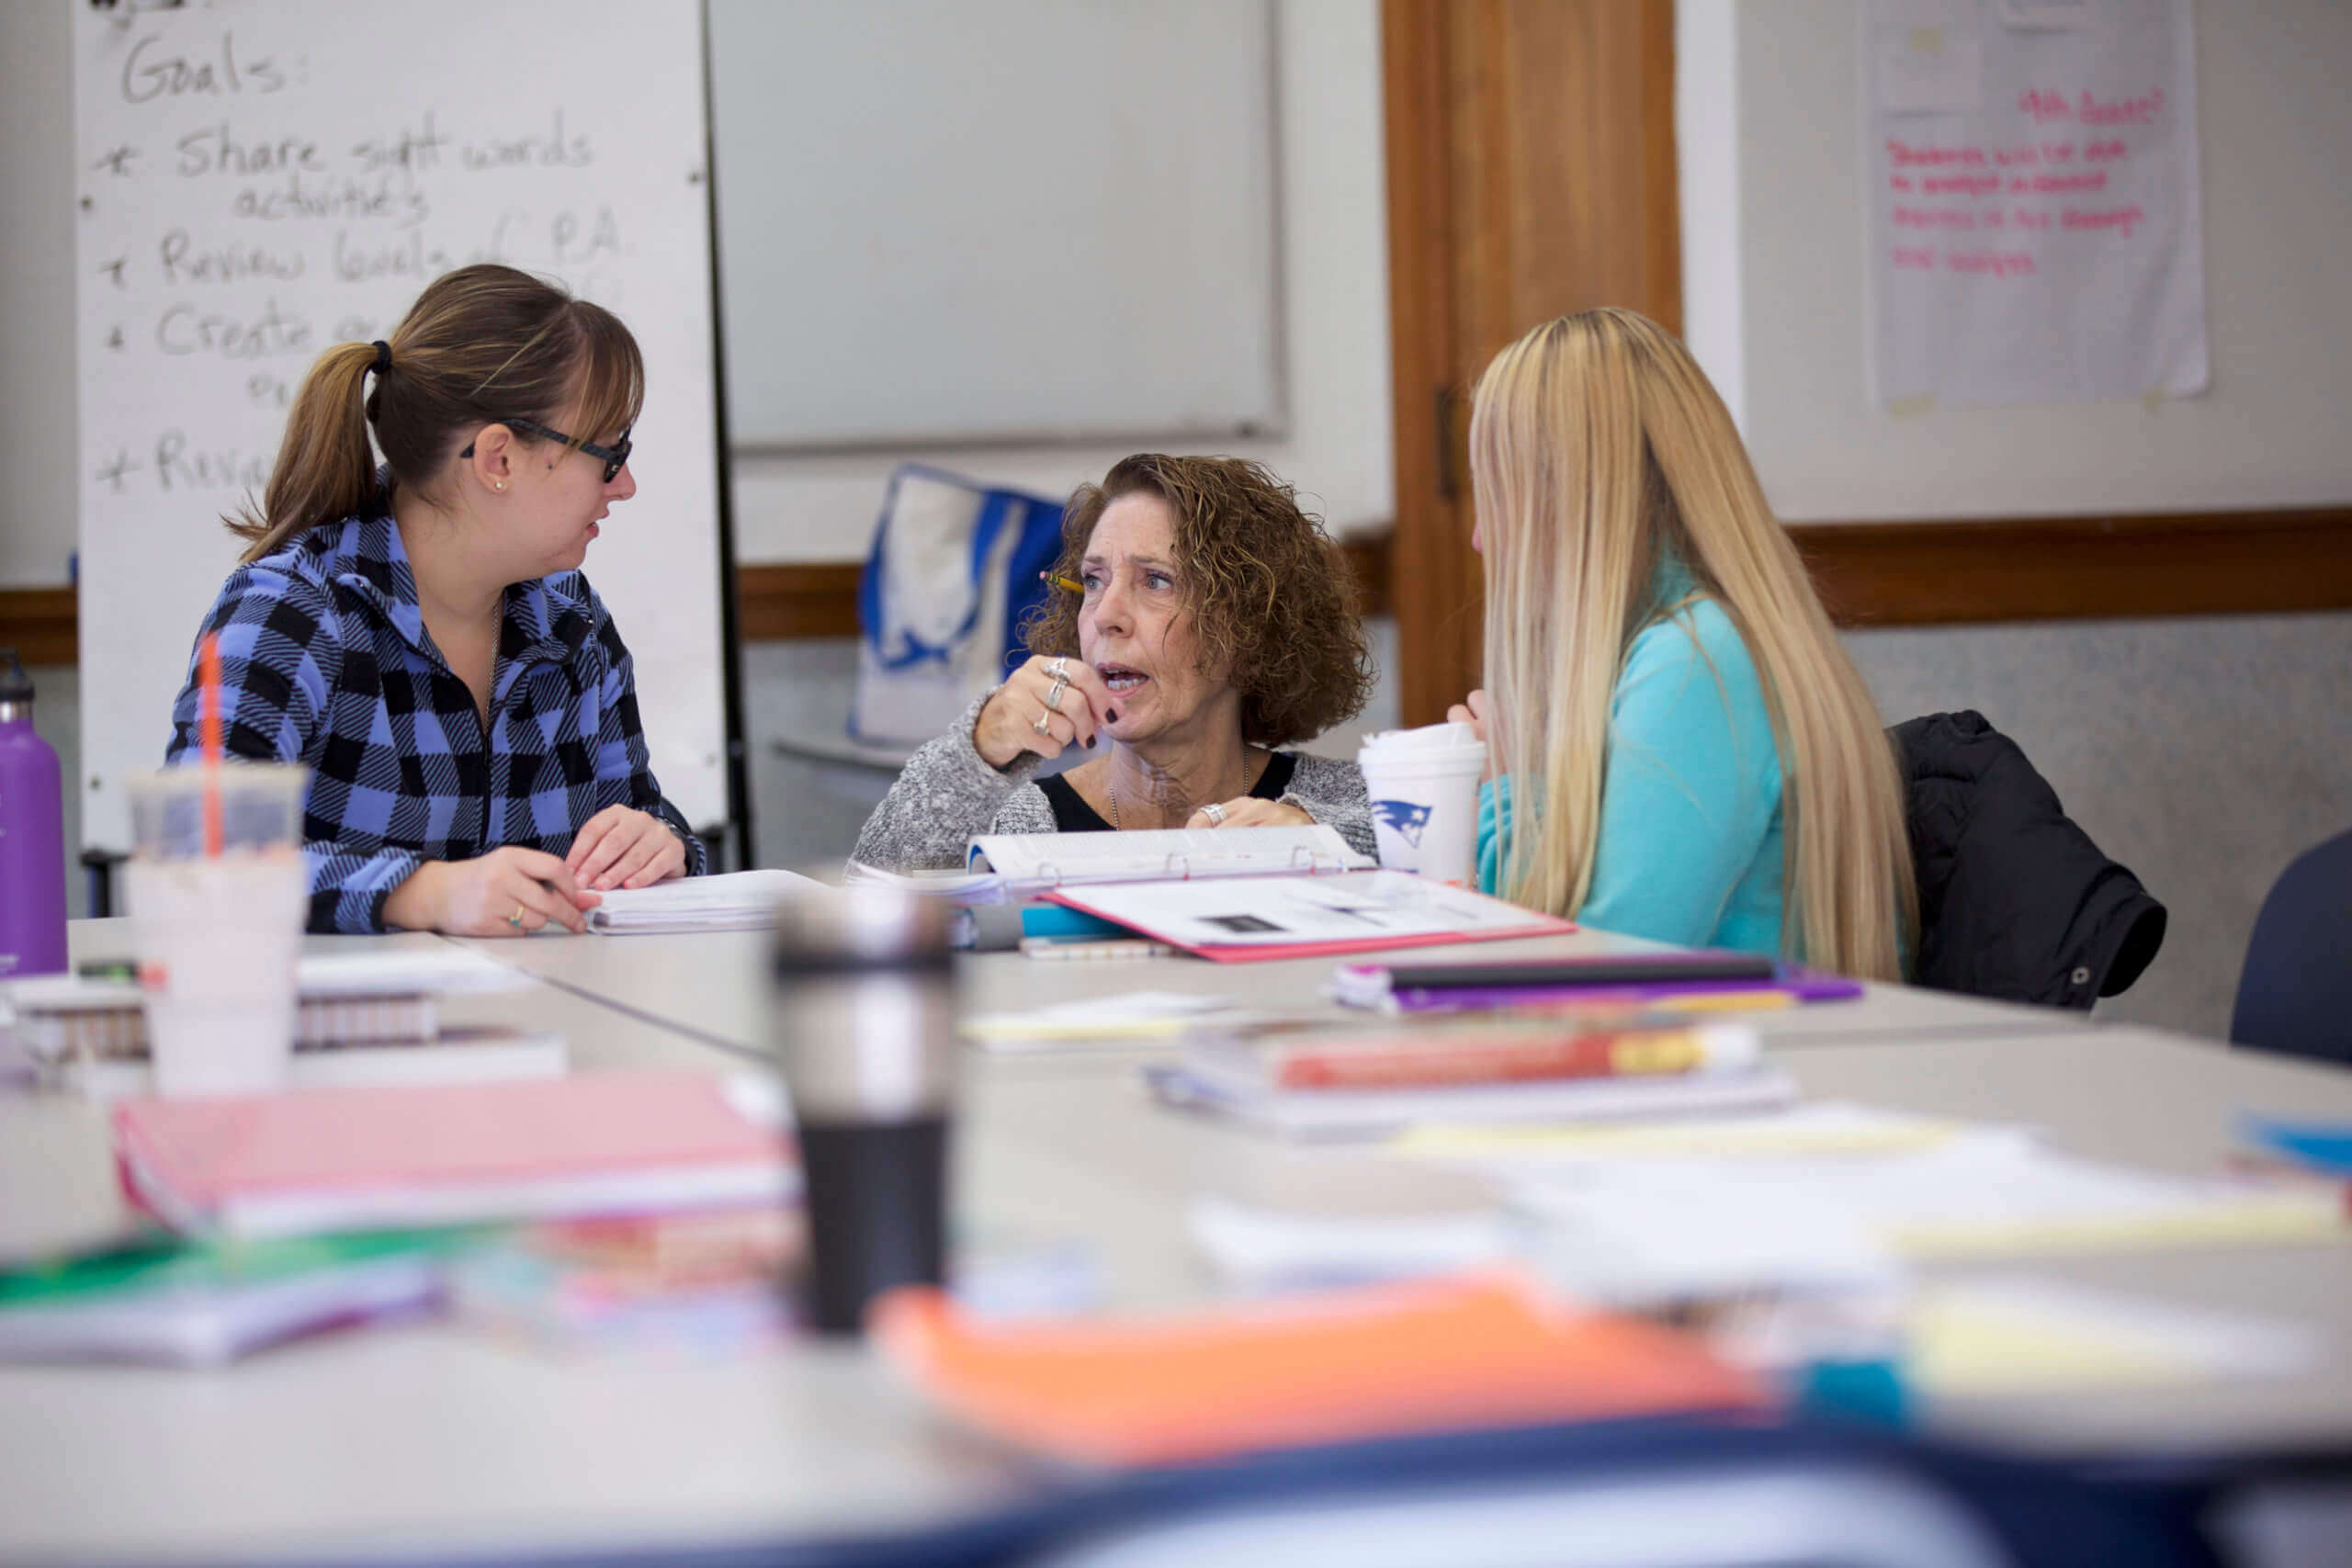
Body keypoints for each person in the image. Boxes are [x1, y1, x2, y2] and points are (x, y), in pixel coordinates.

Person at [165, 264, 705, 937]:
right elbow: (190, 853)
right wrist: (421, 893)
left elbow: (642, 814)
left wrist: (662, 842)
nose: (624, 485)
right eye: (609, 452)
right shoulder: (294, 609)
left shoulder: (574, 624)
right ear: (499, 459)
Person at [1451, 308, 1913, 979]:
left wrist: (1506, 785)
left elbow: (1608, 964)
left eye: (1499, 496)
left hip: (1748, 1038)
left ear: (1579, 498)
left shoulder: (1696, 662)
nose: (1479, 539)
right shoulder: (1697, 643)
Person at [854, 454, 1375, 870]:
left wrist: (1325, 847)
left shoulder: (1342, 804)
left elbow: (1417, 856)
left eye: (1156, 581)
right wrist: (979, 749)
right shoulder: (1026, 821)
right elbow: (869, 889)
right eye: (1094, 580)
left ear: (1247, 625)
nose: (1105, 615)